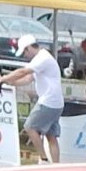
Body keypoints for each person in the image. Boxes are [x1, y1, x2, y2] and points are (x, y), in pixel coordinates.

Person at [18, 35, 65, 164]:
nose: (24, 56)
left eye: (24, 53)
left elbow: (23, 73)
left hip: (49, 101)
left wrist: (4, 79)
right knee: (51, 136)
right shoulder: (42, 58)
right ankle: (56, 165)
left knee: (29, 126)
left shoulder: (41, 59)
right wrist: (9, 83)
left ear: (28, 48)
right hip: (56, 102)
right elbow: (28, 79)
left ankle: (43, 159)